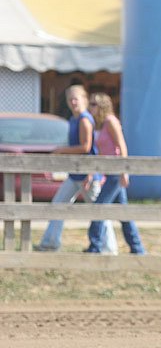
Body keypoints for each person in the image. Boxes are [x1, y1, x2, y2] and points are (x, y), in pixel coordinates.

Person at [35, 85, 107, 252]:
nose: (73, 102)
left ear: (84, 99)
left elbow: (85, 147)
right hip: (75, 173)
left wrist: (61, 151)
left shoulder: (84, 119)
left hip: (87, 174)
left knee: (99, 210)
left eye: (76, 98)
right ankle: (50, 242)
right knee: (58, 204)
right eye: (70, 99)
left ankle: (107, 246)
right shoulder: (74, 119)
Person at [84, 93, 146, 254]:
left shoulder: (111, 121)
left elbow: (121, 146)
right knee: (123, 213)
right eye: (90, 104)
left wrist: (124, 172)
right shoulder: (99, 124)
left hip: (116, 173)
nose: (90, 107)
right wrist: (92, 173)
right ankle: (137, 247)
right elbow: (101, 152)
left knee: (99, 208)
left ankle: (95, 245)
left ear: (102, 106)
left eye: (93, 104)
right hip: (108, 172)